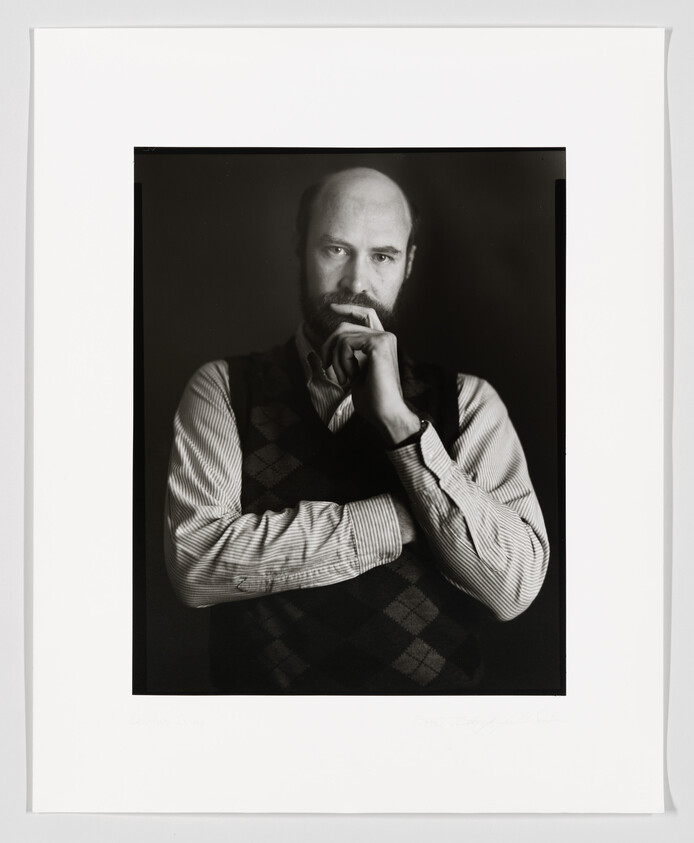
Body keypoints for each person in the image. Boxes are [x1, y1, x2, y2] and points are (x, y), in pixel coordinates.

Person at [164, 167, 549, 694]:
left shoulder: (469, 400)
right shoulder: (223, 389)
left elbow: (512, 586)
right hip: (265, 743)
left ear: (408, 264)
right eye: (335, 250)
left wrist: (399, 425)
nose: (356, 284)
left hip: (440, 746)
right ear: (300, 249)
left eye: (383, 256)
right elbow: (195, 564)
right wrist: (402, 516)